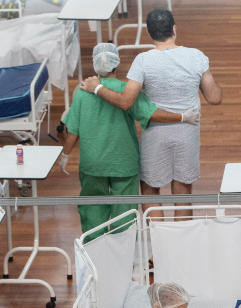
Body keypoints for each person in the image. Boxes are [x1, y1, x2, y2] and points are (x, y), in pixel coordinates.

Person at [80, 8, 222, 212]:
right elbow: (214, 97)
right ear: (174, 29)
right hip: (187, 133)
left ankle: (156, 241)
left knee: (149, 187)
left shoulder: (143, 61)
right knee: (183, 188)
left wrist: (98, 88)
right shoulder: (197, 57)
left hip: (155, 135)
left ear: (149, 34)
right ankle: (182, 240)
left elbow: (126, 101)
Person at [60, 43, 197, 238]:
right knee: (124, 214)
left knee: (92, 210)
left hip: (92, 164)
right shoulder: (126, 91)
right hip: (123, 162)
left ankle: (95, 255)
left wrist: (65, 155)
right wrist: (182, 117)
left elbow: (72, 130)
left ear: (94, 63)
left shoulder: (83, 92)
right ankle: (122, 256)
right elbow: (152, 114)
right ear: (118, 62)